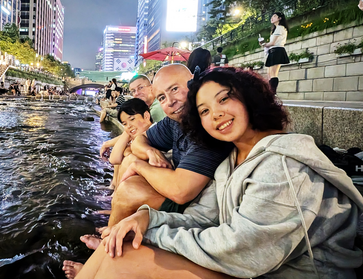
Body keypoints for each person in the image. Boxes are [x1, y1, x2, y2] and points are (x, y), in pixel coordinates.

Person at [74, 67, 363, 279]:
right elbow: (203, 216)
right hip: (252, 263)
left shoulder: (284, 167)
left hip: (286, 271)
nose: (216, 115)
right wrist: (146, 217)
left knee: (122, 261)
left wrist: (152, 233)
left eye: (224, 100)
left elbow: (242, 251)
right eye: (204, 111)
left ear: (250, 98)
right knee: (115, 247)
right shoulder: (231, 160)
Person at [261, 12, 289, 94]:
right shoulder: (276, 29)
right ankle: (271, 92)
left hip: (277, 50)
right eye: (271, 16)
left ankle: (272, 93)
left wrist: (264, 44)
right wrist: (264, 44)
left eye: (274, 16)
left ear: (280, 18)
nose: (272, 18)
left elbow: (272, 43)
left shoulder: (280, 28)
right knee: (269, 74)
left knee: (273, 73)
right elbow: (271, 43)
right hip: (273, 51)